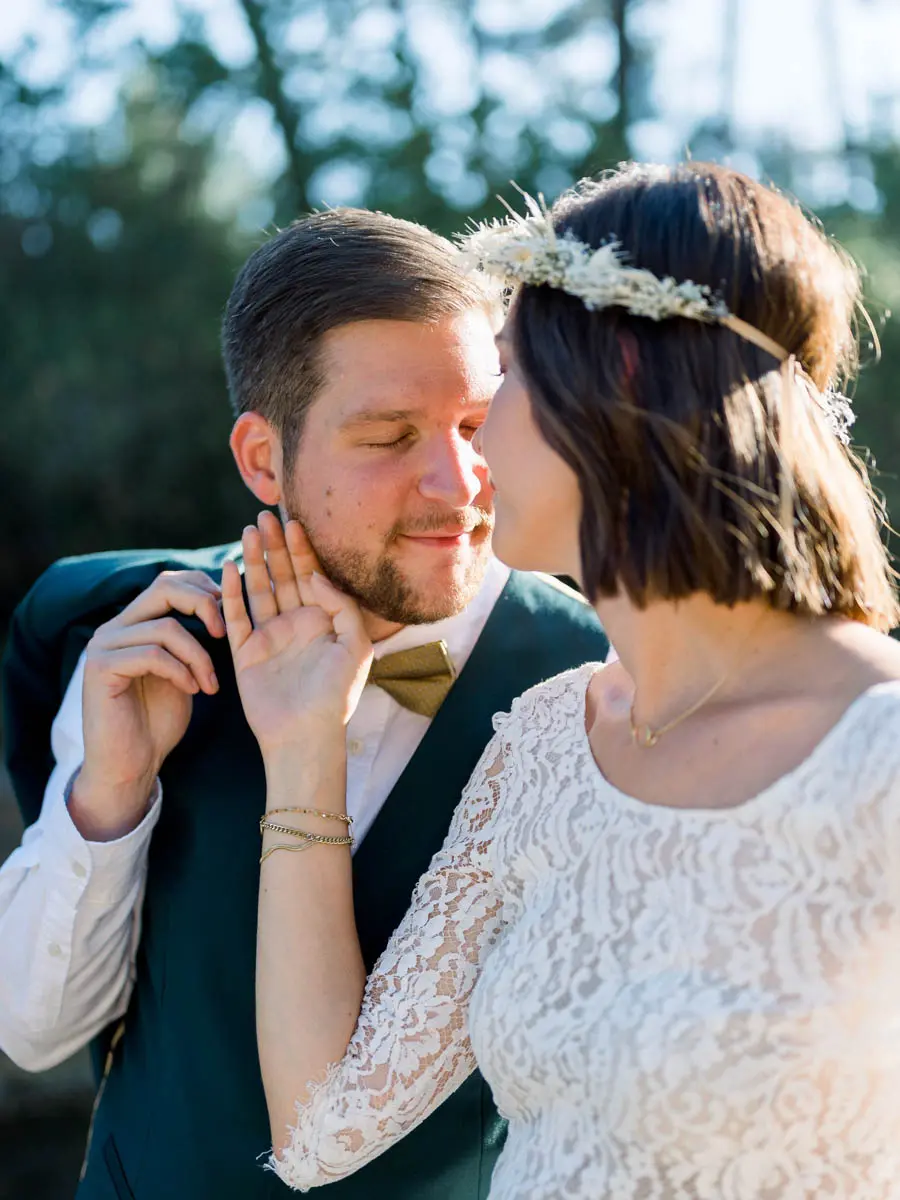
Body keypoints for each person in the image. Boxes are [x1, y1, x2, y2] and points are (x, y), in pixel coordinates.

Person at [224, 162, 900, 1199]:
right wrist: (304, 739)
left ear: (616, 386)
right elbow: (323, 1128)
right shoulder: (546, 742)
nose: (474, 455)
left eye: (504, 384)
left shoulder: (879, 751)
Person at [0, 209, 608, 1200]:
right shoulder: (142, 645)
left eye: (474, 424)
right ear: (263, 459)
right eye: (388, 437)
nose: (457, 484)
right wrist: (109, 795)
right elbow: (33, 1033)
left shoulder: (593, 675)